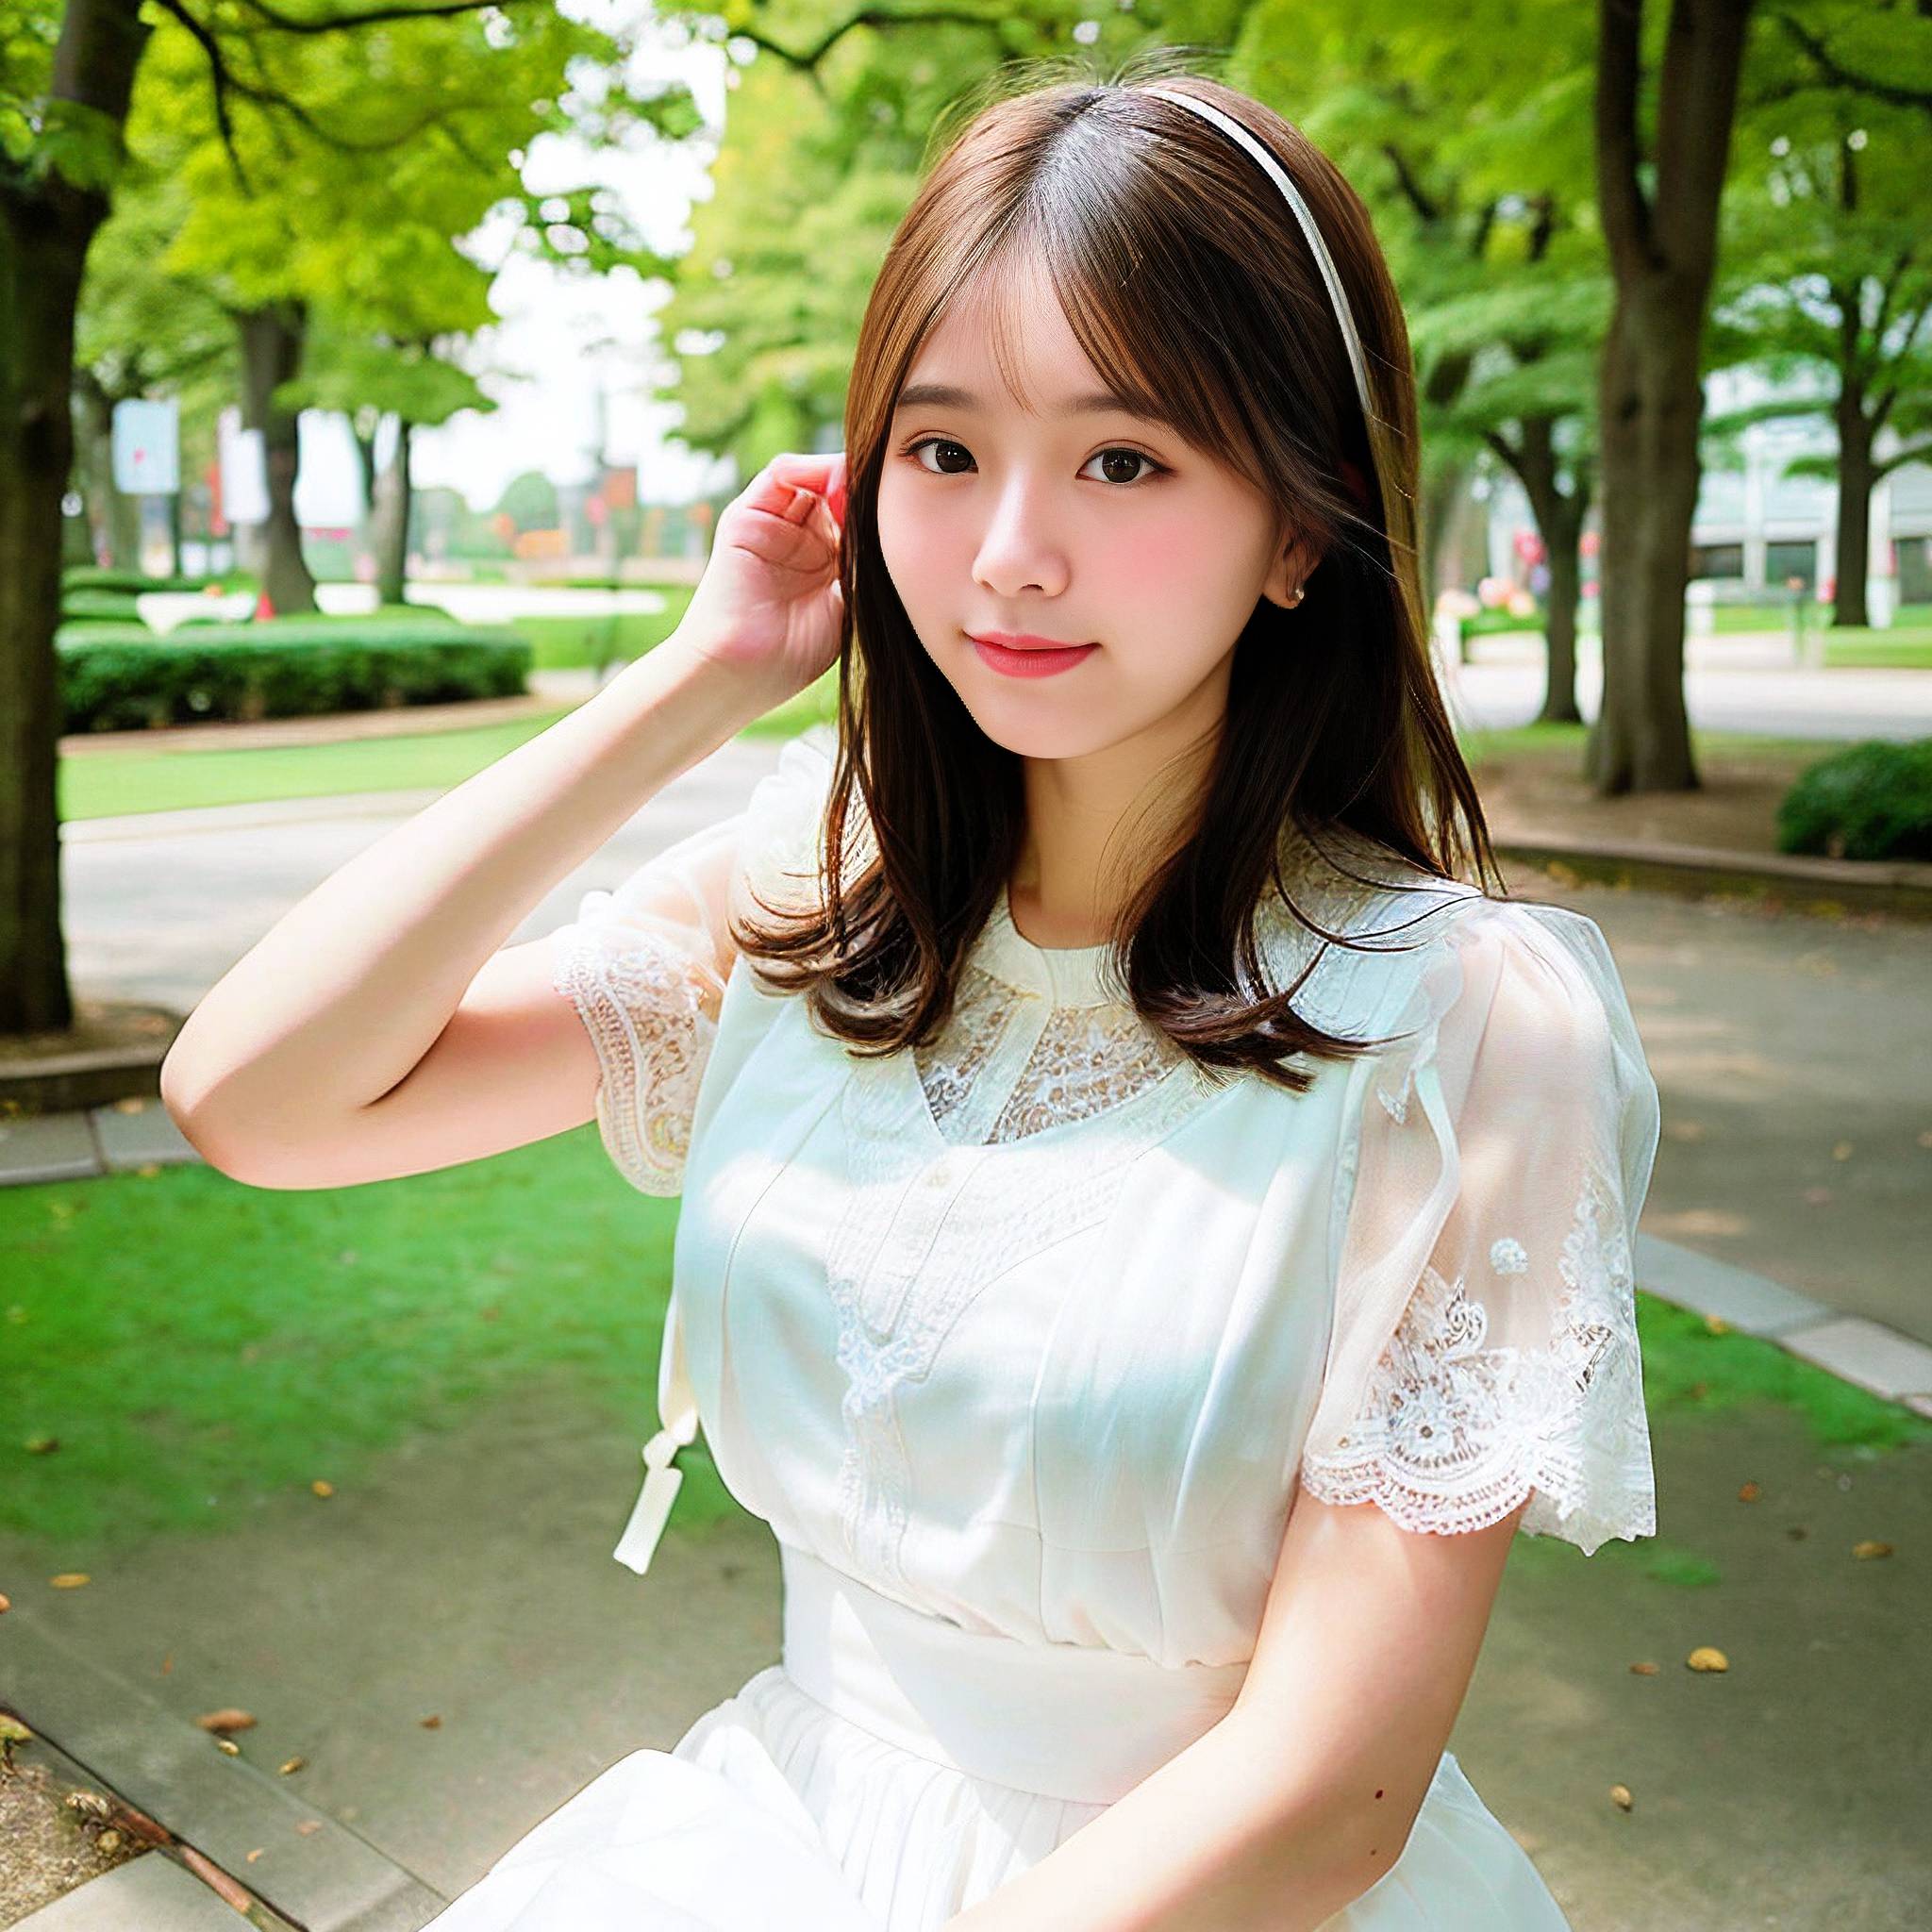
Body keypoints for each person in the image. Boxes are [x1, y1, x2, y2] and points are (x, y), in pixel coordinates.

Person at [162, 55, 1661, 1932]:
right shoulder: (819, 900)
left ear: (1300, 526)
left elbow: (1327, 1791)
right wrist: (706, 676)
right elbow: (262, 1098)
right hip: (774, 1843)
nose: (1009, 553)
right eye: (944, 453)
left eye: (1123, 460)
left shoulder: (1460, 1029)